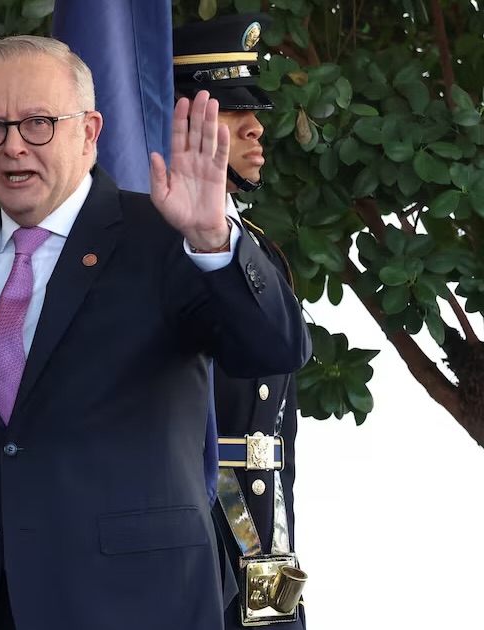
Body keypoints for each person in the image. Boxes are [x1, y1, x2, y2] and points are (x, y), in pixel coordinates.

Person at [0, 34, 310, 630]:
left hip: (137, 605)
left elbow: (276, 348)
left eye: (37, 123)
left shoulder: (165, 237)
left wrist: (214, 241)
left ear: (89, 131)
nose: (12, 147)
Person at [174, 13, 307, 628]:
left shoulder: (250, 247)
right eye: (232, 110)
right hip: (194, 534)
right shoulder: (161, 247)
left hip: (263, 530)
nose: (257, 126)